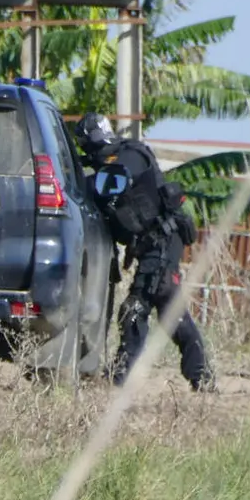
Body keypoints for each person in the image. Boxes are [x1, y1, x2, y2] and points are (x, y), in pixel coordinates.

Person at [74, 113, 214, 391]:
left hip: (162, 240)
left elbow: (110, 181)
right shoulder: (113, 159)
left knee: (135, 309)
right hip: (152, 245)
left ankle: (119, 379)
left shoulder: (131, 155)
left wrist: (85, 180)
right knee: (170, 312)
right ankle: (202, 377)